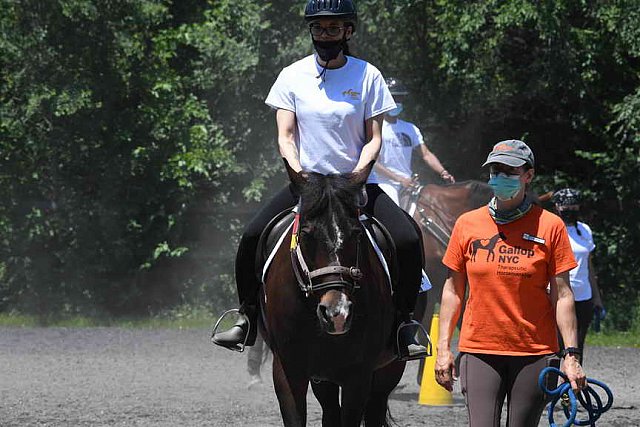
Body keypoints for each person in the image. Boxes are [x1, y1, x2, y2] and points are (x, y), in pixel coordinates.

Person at [212, 0, 428, 360]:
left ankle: (404, 323)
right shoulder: (292, 76)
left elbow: (374, 136)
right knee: (252, 234)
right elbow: (285, 135)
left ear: (348, 31)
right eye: (318, 28)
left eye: (332, 28)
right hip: (308, 184)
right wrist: (299, 174)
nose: (324, 35)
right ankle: (247, 316)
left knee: (407, 237)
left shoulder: (367, 75)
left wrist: (359, 175)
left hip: (357, 184)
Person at [434, 140, 587, 426]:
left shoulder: (550, 225)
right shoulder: (467, 224)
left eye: (510, 171)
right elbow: (453, 291)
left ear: (528, 176)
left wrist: (571, 355)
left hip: (534, 352)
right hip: (480, 349)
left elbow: (563, 295)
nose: (500, 176)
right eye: (495, 170)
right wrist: (443, 348)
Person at [375, 77, 455, 206]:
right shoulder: (376, 127)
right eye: (394, 98)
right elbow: (374, 163)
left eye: (400, 99)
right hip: (385, 183)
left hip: (409, 183)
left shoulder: (410, 128)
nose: (397, 102)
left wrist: (443, 172)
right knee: (395, 214)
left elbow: (426, 154)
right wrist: (400, 179)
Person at [553, 188, 604, 361]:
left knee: (577, 346)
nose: (570, 211)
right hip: (557, 295)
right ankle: (549, 386)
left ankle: (572, 385)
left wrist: (596, 297)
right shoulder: (552, 228)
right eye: (566, 207)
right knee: (555, 345)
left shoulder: (585, 230)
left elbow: (588, 266)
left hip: (583, 296)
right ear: (557, 207)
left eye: (574, 207)